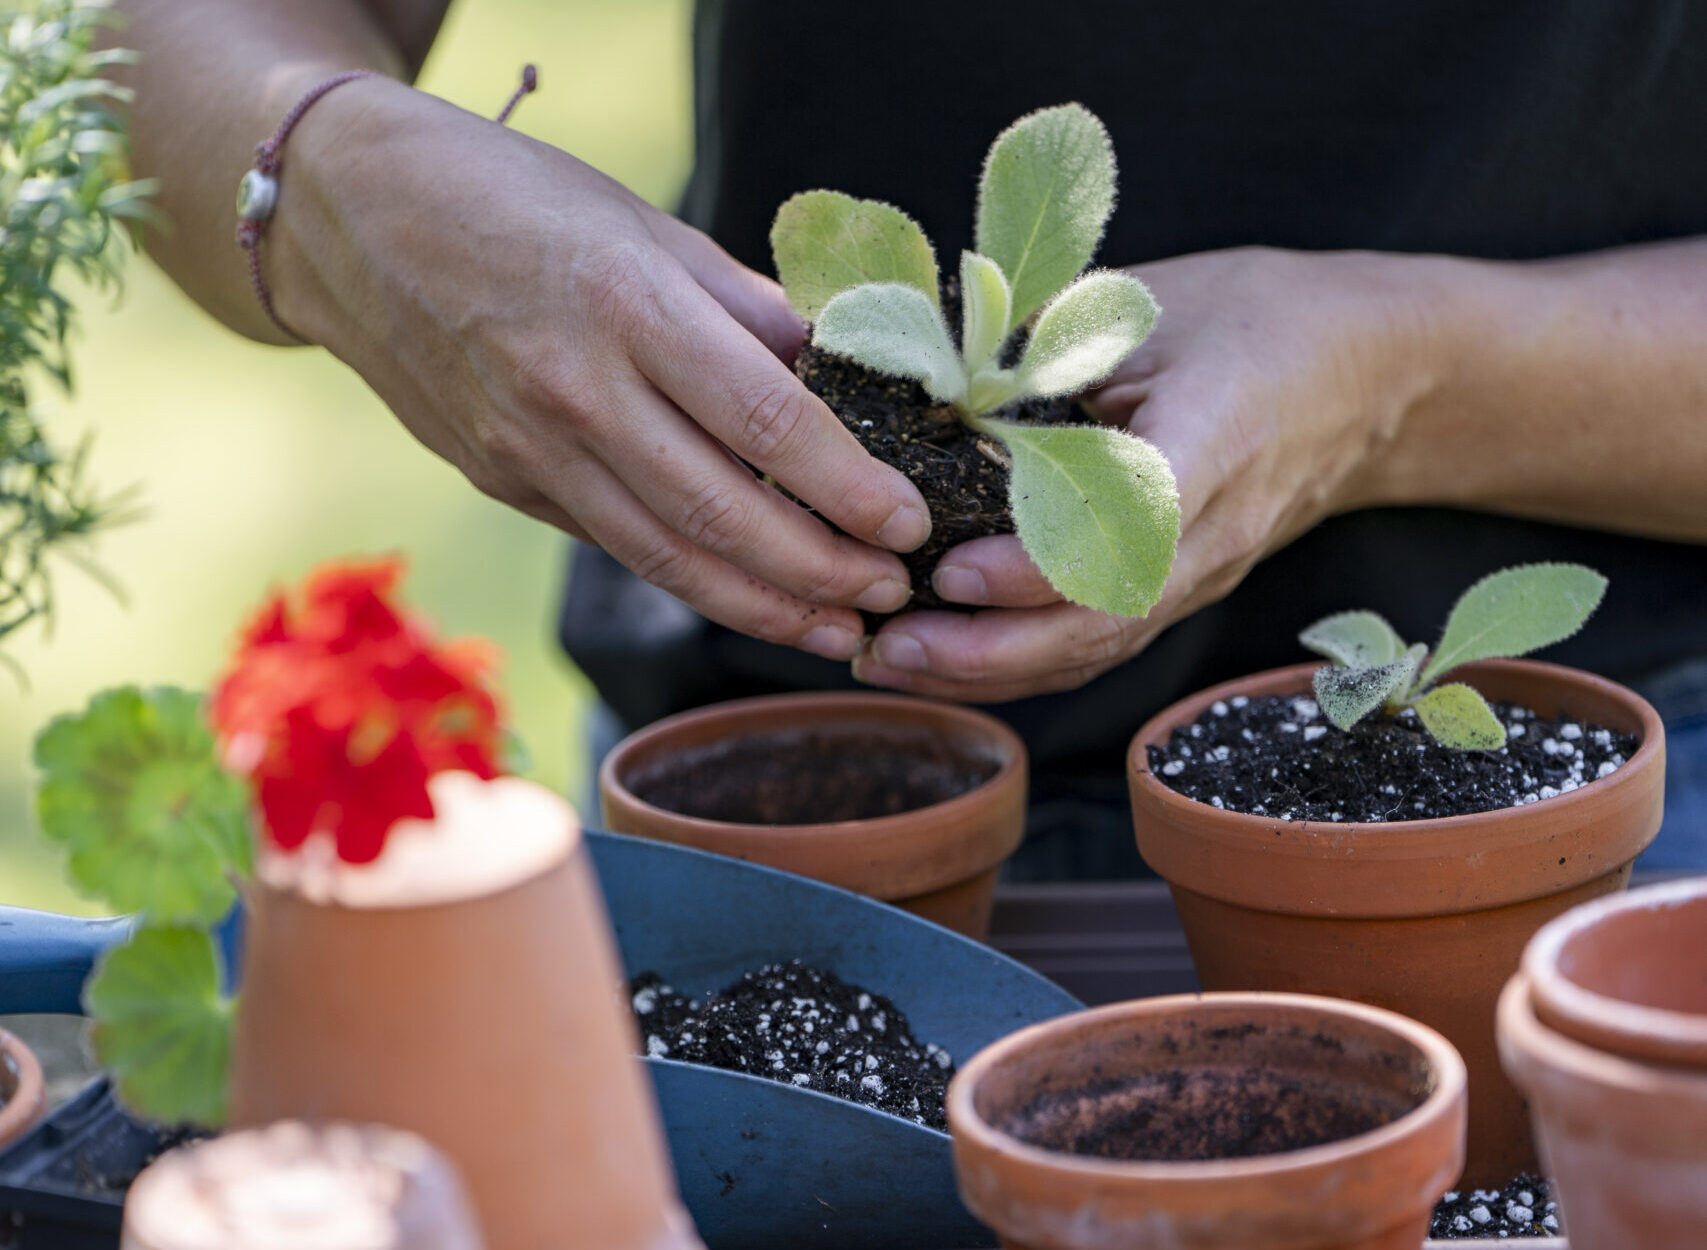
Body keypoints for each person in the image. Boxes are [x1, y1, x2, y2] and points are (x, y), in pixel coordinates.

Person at [116, 0, 1707, 874]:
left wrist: (1399, 382)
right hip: (779, 807)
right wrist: (326, 173)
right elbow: (166, 42)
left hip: (1578, 816)